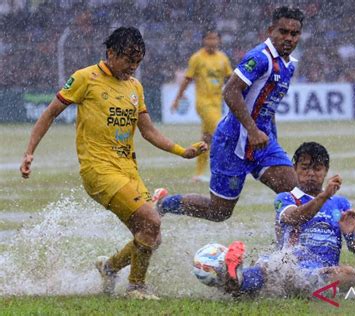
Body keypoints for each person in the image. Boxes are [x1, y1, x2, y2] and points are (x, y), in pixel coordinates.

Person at [19, 27, 207, 300]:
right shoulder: (85, 78)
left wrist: (182, 151)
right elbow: (49, 114)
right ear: (110, 53)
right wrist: (29, 152)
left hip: (128, 170)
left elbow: (149, 131)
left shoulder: (135, 87)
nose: (132, 67)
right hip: (98, 171)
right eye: (128, 60)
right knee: (151, 220)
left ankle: (108, 268)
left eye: (138, 62)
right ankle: (136, 288)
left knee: (151, 234)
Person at [156, 6, 304, 222]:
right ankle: (163, 204)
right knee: (219, 212)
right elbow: (231, 91)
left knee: (296, 196)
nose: (288, 38)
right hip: (233, 142)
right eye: (283, 32)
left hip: (262, 144)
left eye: (294, 33)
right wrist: (252, 130)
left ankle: (288, 252)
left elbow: (267, 106)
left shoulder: (288, 65)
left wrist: (272, 141)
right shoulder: (260, 58)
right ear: (270, 30)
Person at [199, 142, 355, 297]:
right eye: (305, 168)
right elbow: (293, 217)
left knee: (349, 275)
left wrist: (349, 234)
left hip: (320, 271)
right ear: (295, 169)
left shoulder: (340, 203)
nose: (311, 174)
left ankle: (244, 284)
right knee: (268, 268)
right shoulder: (285, 198)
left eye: (317, 169)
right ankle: (235, 278)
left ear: (326, 170)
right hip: (289, 265)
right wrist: (323, 196)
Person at [171, 30, 233, 182]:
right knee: (221, 132)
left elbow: (230, 78)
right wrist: (178, 97)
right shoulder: (197, 58)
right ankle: (226, 171)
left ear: (218, 40)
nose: (211, 41)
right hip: (203, 103)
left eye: (214, 38)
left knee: (207, 139)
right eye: (208, 38)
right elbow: (187, 79)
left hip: (217, 103)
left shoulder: (223, 58)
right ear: (204, 40)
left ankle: (198, 174)